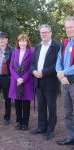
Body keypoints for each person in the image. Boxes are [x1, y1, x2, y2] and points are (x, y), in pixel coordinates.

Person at [30, 24, 60, 140]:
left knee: (51, 107)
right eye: (42, 32)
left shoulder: (56, 46)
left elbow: (57, 64)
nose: (44, 34)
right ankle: (41, 127)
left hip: (50, 82)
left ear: (51, 33)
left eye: (46, 32)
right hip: (38, 81)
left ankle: (50, 130)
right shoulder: (37, 46)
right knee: (41, 106)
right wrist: (33, 71)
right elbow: (32, 63)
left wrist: (44, 72)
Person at [8, 34, 34, 130]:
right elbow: (11, 67)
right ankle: (19, 121)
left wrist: (23, 79)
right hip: (15, 81)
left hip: (26, 81)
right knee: (17, 102)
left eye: (24, 41)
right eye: (20, 41)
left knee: (26, 103)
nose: (22, 43)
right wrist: (17, 78)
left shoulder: (31, 53)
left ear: (27, 42)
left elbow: (31, 68)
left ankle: (25, 123)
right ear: (18, 42)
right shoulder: (15, 52)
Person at [56, 16, 74, 145]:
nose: (69, 29)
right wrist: (60, 74)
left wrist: (64, 73)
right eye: (67, 27)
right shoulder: (65, 43)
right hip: (64, 83)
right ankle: (71, 137)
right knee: (67, 112)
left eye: (71, 26)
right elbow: (58, 61)